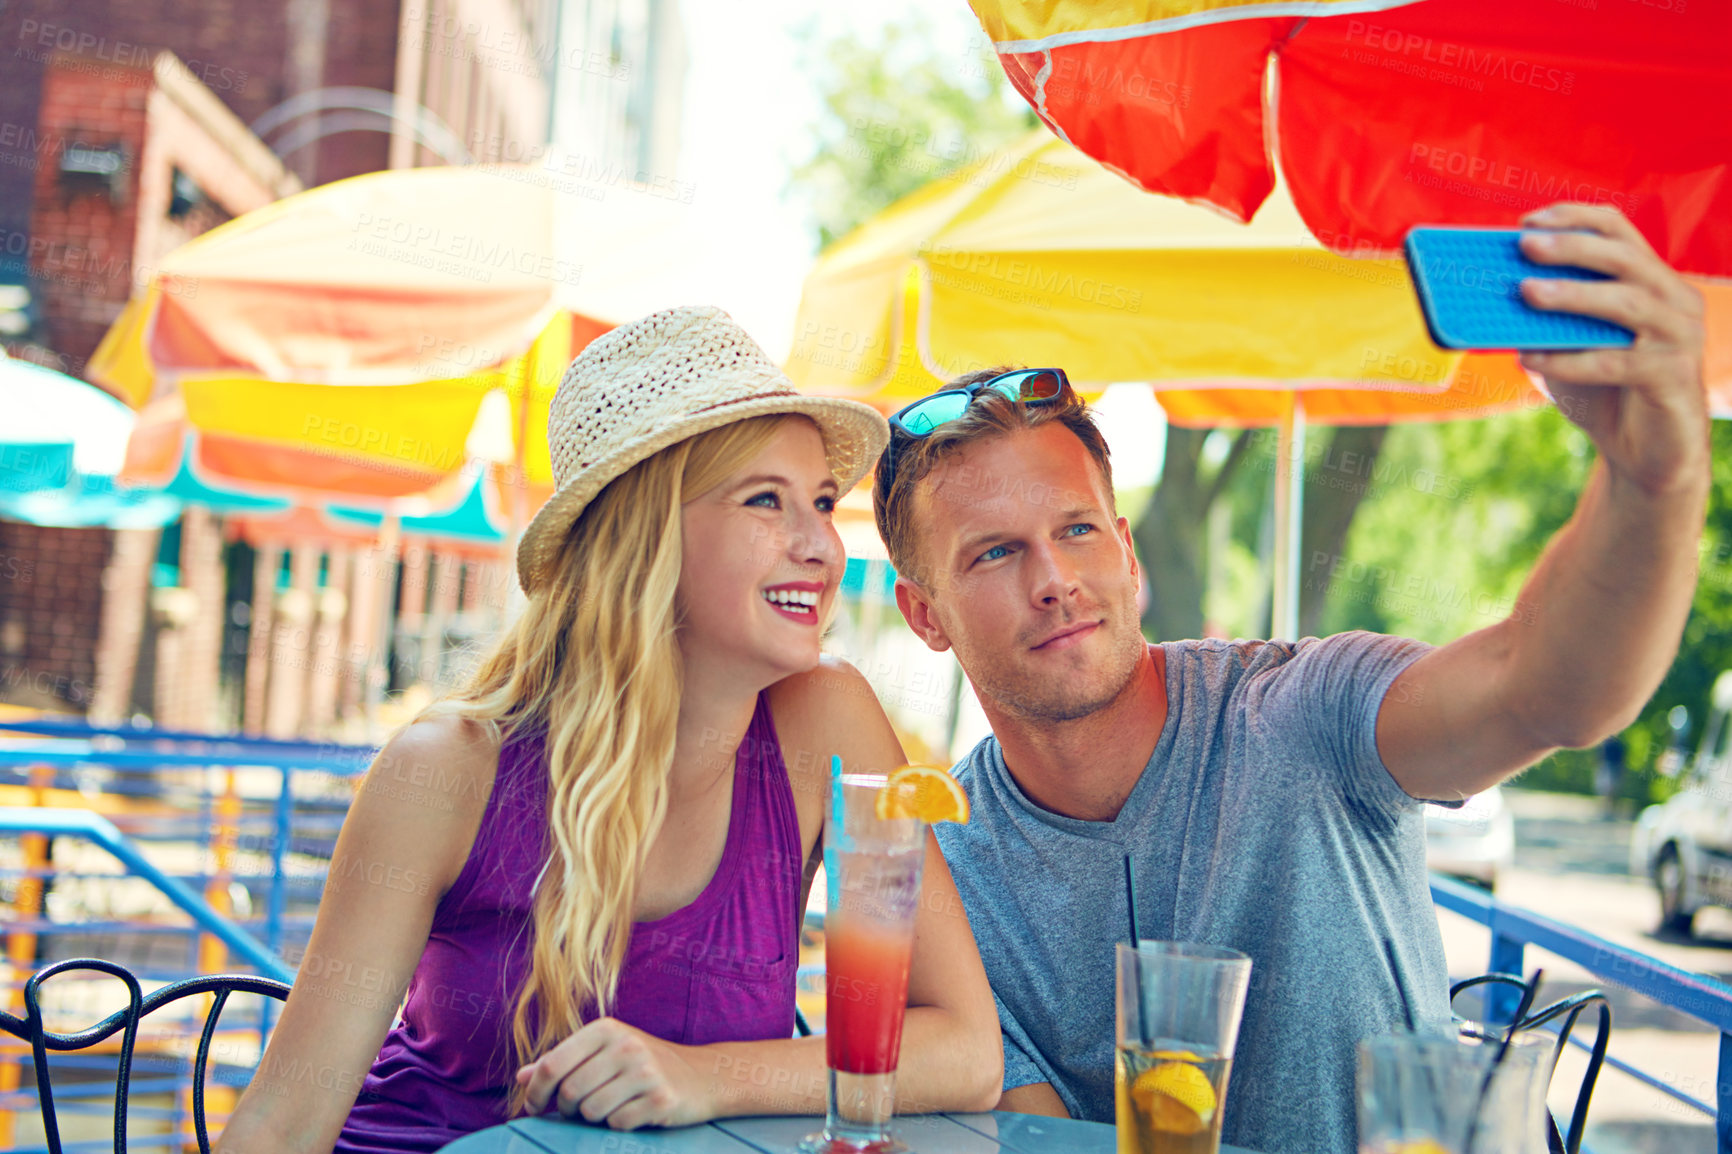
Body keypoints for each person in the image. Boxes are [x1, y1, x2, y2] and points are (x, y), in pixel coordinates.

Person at [872, 205, 1707, 1154]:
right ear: (923, 614)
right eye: (992, 555)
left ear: (1127, 553)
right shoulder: (950, 876)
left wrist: (1655, 480)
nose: (1055, 579)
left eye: (1076, 530)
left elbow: (1548, 687)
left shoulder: (1296, 708)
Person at [217, 306, 1002, 1154]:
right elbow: (281, 1123)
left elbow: (966, 1051)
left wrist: (704, 1077)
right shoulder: (446, 771)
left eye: (820, 501)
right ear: (646, 535)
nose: (821, 545)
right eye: (765, 501)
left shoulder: (825, 722)